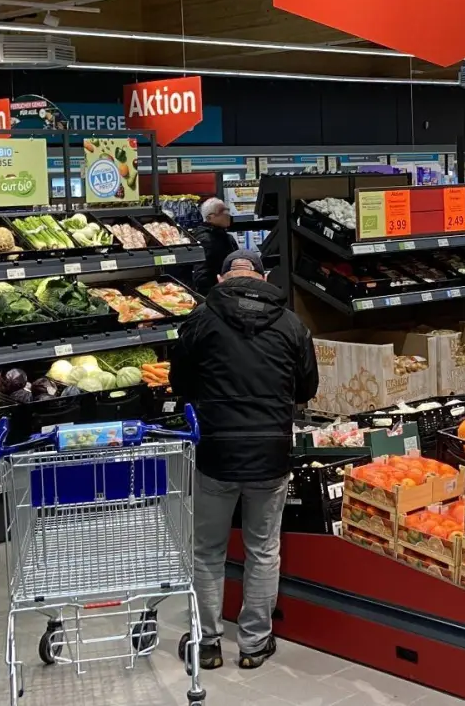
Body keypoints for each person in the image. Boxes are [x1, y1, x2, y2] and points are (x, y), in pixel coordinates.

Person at [170, 249, 318, 671]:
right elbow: (306, 388)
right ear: (263, 276)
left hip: (215, 451)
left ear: (221, 280)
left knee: (207, 551)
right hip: (271, 452)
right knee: (263, 550)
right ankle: (254, 643)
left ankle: (208, 642)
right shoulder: (292, 325)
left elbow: (178, 381)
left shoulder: (199, 321)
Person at [188, 197, 239, 294]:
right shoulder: (206, 240)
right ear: (209, 217)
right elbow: (202, 274)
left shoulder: (225, 236)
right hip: (216, 294)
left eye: (227, 209)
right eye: (222, 211)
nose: (227, 213)